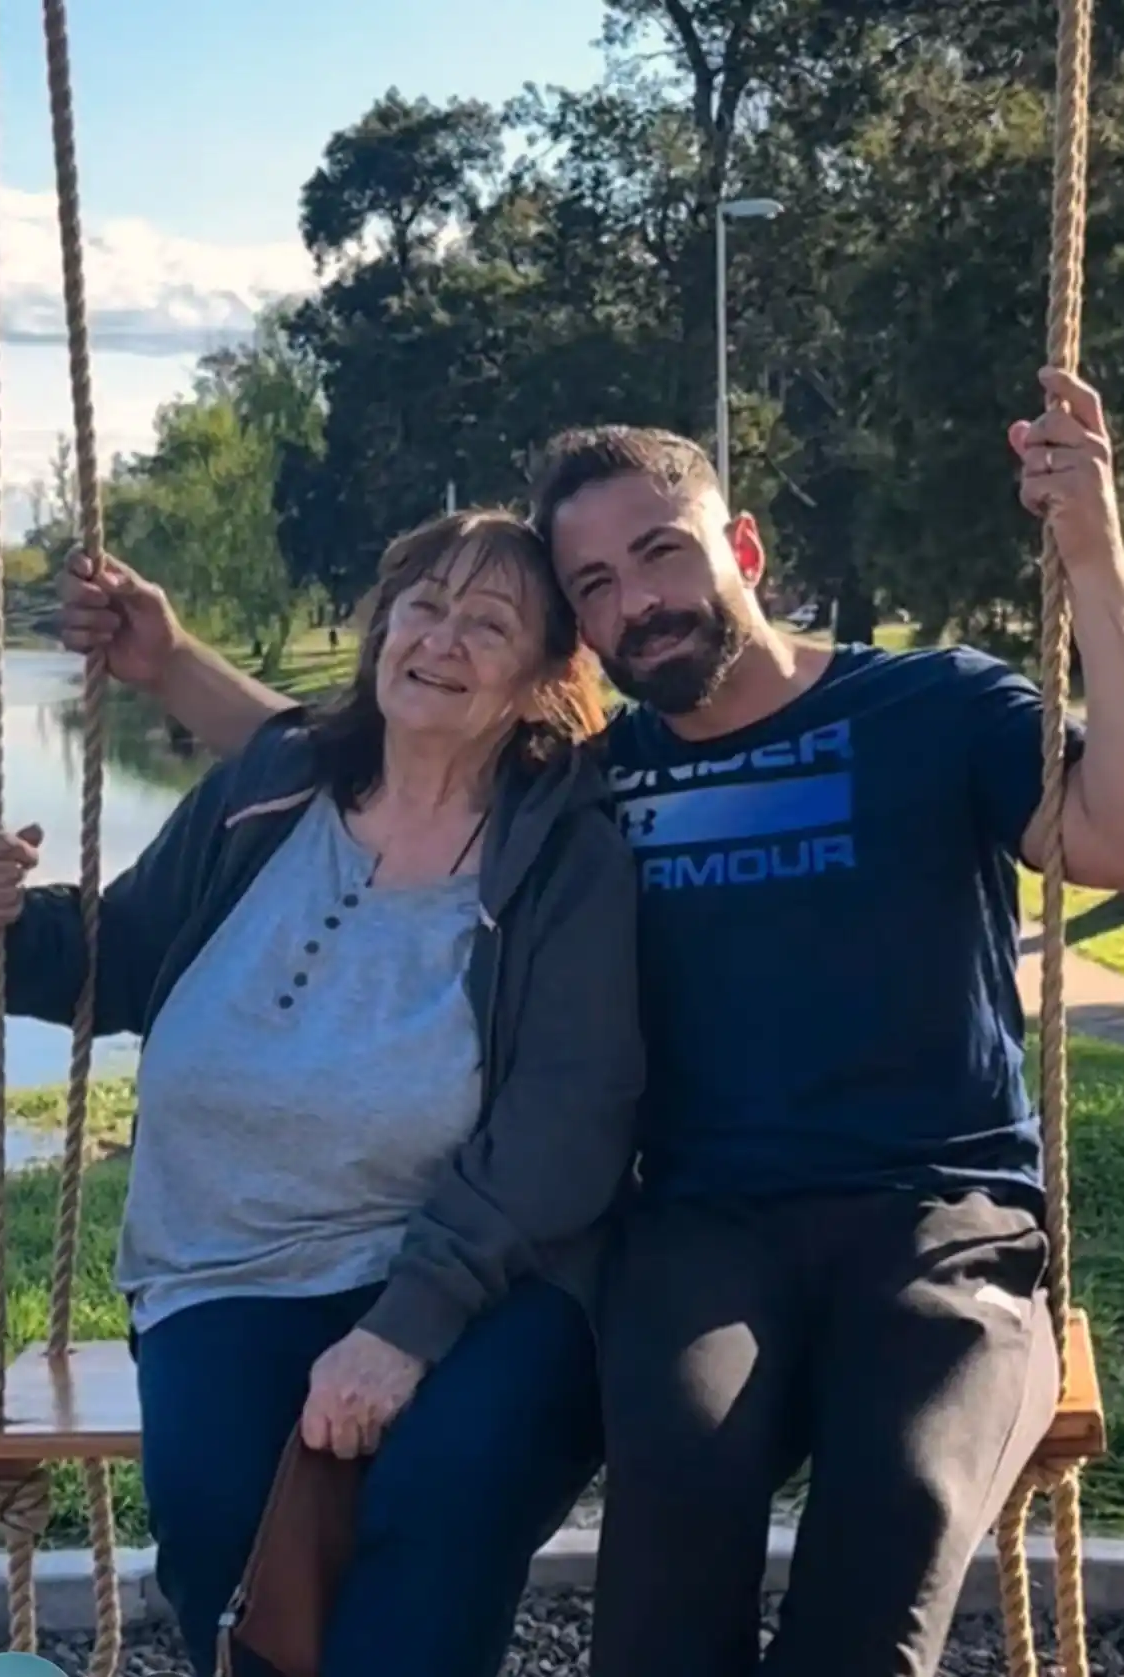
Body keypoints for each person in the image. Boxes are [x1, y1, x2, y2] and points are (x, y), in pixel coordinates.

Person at [56, 369, 1124, 1677]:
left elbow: (1105, 833)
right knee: (671, 1495)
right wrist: (165, 663)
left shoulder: (929, 706)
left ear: (741, 547)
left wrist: (1092, 557)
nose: (639, 602)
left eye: (659, 555)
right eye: (598, 586)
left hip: (937, 1220)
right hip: (706, 1223)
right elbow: (367, 744)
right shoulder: (600, 782)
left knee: (892, 1518)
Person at [0, 509, 645, 1677]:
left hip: (482, 1279)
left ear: (537, 678)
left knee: (440, 1503)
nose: (442, 640)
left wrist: (399, 1334)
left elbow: (567, 1121)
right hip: (223, 1265)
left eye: (488, 623)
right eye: (423, 606)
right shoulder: (274, 782)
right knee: (226, 1544)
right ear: (380, 630)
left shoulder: (564, 852)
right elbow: (112, 960)